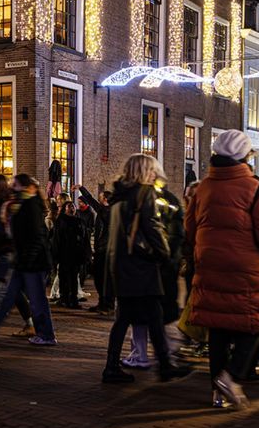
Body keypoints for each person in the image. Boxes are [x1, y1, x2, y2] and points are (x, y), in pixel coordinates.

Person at [186, 129, 259, 409]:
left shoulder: (202, 187)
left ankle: (217, 393)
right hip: (246, 268)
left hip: (210, 266)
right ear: (243, 156)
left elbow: (189, 229)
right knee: (256, 323)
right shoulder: (255, 188)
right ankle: (233, 375)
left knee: (218, 330)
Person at [101, 154, 186, 383]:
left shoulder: (118, 195)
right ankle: (164, 366)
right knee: (153, 314)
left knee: (127, 317)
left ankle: (113, 366)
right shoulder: (144, 193)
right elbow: (152, 227)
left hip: (122, 264)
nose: (154, 174)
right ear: (143, 171)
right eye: (151, 170)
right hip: (141, 265)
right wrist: (165, 254)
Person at [0, 174, 56, 346]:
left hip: (33, 263)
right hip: (21, 260)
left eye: (14, 184)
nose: (11, 186)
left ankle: (46, 335)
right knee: (8, 296)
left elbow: (36, 237)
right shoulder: (22, 205)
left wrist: (27, 258)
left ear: (23, 187)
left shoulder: (31, 206)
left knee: (37, 300)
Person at [77, 186, 113, 312]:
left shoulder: (107, 211)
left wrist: (82, 189)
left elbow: (91, 201)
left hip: (105, 249)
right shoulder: (105, 211)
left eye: (101, 196)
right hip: (101, 248)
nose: (99, 198)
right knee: (99, 278)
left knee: (104, 278)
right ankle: (103, 303)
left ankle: (108, 305)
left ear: (105, 199)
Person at [52, 199, 85, 309]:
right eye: (69, 206)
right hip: (64, 253)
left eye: (73, 206)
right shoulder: (61, 221)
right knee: (64, 277)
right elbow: (56, 238)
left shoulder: (79, 221)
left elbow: (83, 238)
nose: (72, 208)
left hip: (75, 254)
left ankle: (73, 299)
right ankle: (64, 298)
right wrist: (56, 254)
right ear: (65, 209)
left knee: (74, 277)